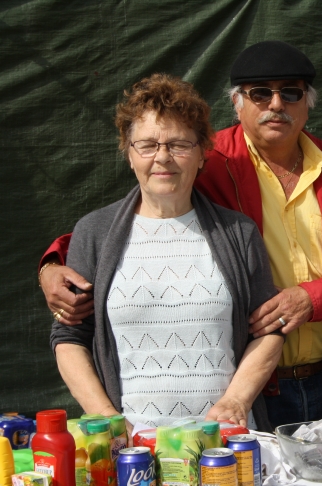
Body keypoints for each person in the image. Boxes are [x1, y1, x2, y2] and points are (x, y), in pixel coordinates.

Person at [39, 41, 322, 428]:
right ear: (238, 103)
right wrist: (52, 264)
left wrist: (311, 298)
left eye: (291, 93)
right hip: (255, 391)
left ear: (308, 102)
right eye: (260, 93)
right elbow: (132, 226)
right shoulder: (212, 162)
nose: (276, 104)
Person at [50, 74, 283, 433]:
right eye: (146, 145)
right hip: (132, 447)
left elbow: (268, 332)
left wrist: (235, 401)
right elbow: (68, 338)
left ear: (202, 154)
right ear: (128, 154)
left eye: (179, 145)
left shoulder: (238, 232)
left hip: (224, 444)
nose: (162, 157)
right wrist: (108, 419)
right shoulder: (93, 233)